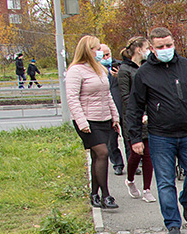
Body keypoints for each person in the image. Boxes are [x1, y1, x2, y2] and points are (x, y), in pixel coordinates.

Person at [126, 27, 187, 234]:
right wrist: (135, 137)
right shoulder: (144, 74)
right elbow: (134, 108)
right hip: (160, 136)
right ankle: (172, 223)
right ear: (152, 48)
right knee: (165, 181)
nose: (166, 49)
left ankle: (186, 200)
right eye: (161, 47)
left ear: (173, 43)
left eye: (169, 45)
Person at [66, 35, 121, 209]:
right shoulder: (76, 70)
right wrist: (82, 122)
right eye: (96, 49)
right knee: (103, 153)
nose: (100, 52)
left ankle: (94, 194)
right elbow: (72, 98)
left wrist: (115, 117)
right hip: (88, 120)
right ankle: (106, 195)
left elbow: (108, 95)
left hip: (104, 118)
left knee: (97, 156)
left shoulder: (98, 69)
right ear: (87, 50)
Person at [118, 36, 156, 203]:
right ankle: (131, 179)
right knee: (136, 152)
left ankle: (147, 189)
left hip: (150, 117)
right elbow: (125, 96)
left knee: (148, 153)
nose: (149, 51)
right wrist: (138, 114)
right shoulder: (125, 70)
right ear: (139, 49)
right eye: (147, 47)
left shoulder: (147, 68)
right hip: (134, 117)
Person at [100, 43, 126, 175]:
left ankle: (134, 163)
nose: (105, 57)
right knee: (111, 140)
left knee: (129, 138)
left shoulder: (120, 66)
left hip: (123, 107)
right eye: (103, 55)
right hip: (107, 110)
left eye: (107, 54)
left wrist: (119, 76)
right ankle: (117, 163)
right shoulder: (96, 69)